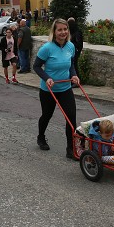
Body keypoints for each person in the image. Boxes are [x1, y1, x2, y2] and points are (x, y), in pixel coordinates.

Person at [33, 19, 79, 159]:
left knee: (71, 118)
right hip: (49, 90)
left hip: (65, 88)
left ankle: (70, 149)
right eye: (59, 30)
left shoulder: (70, 46)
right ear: (54, 31)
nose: (63, 32)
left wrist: (74, 75)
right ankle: (41, 137)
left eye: (65, 29)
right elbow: (36, 66)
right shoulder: (47, 48)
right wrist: (47, 78)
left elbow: (71, 65)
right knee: (47, 115)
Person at [68, 17, 83, 87]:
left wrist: (70, 43)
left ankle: (77, 81)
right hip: (72, 51)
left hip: (76, 51)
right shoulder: (74, 32)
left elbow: (79, 44)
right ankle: (73, 80)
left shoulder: (77, 32)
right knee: (72, 65)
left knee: (74, 65)